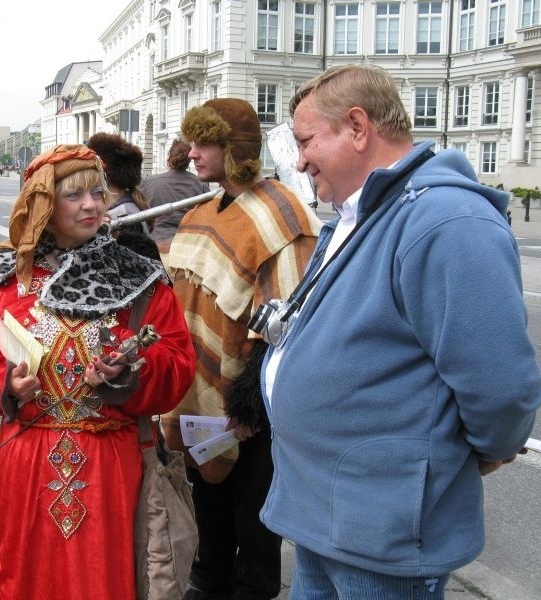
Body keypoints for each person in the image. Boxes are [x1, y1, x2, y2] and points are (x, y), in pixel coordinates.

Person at [259, 65, 541, 599]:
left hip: (382, 531)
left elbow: (502, 385)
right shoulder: (365, 212)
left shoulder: (446, 220)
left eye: (305, 142)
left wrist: (481, 450)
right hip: (331, 515)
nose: (298, 161)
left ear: (358, 127)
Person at [0, 144, 195, 599]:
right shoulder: (3, 279)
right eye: (74, 195)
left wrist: (130, 371)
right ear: (42, 203)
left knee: (104, 577)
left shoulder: (138, 278)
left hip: (111, 466)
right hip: (28, 461)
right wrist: (3, 382)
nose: (92, 204)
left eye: (98, 193)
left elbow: (178, 361)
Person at [162, 99, 318, 600]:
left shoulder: (281, 214)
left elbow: (289, 319)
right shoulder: (201, 212)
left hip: (250, 398)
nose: (191, 154)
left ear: (236, 150)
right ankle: (209, 579)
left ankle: (252, 588)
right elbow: (181, 293)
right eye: (189, 141)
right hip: (200, 395)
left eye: (203, 142)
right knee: (207, 495)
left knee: (253, 510)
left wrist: (249, 399)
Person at [141, 139, 210, 251]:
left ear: (169, 156)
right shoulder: (201, 184)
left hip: (155, 243)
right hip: (188, 244)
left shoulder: (149, 182)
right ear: (189, 160)